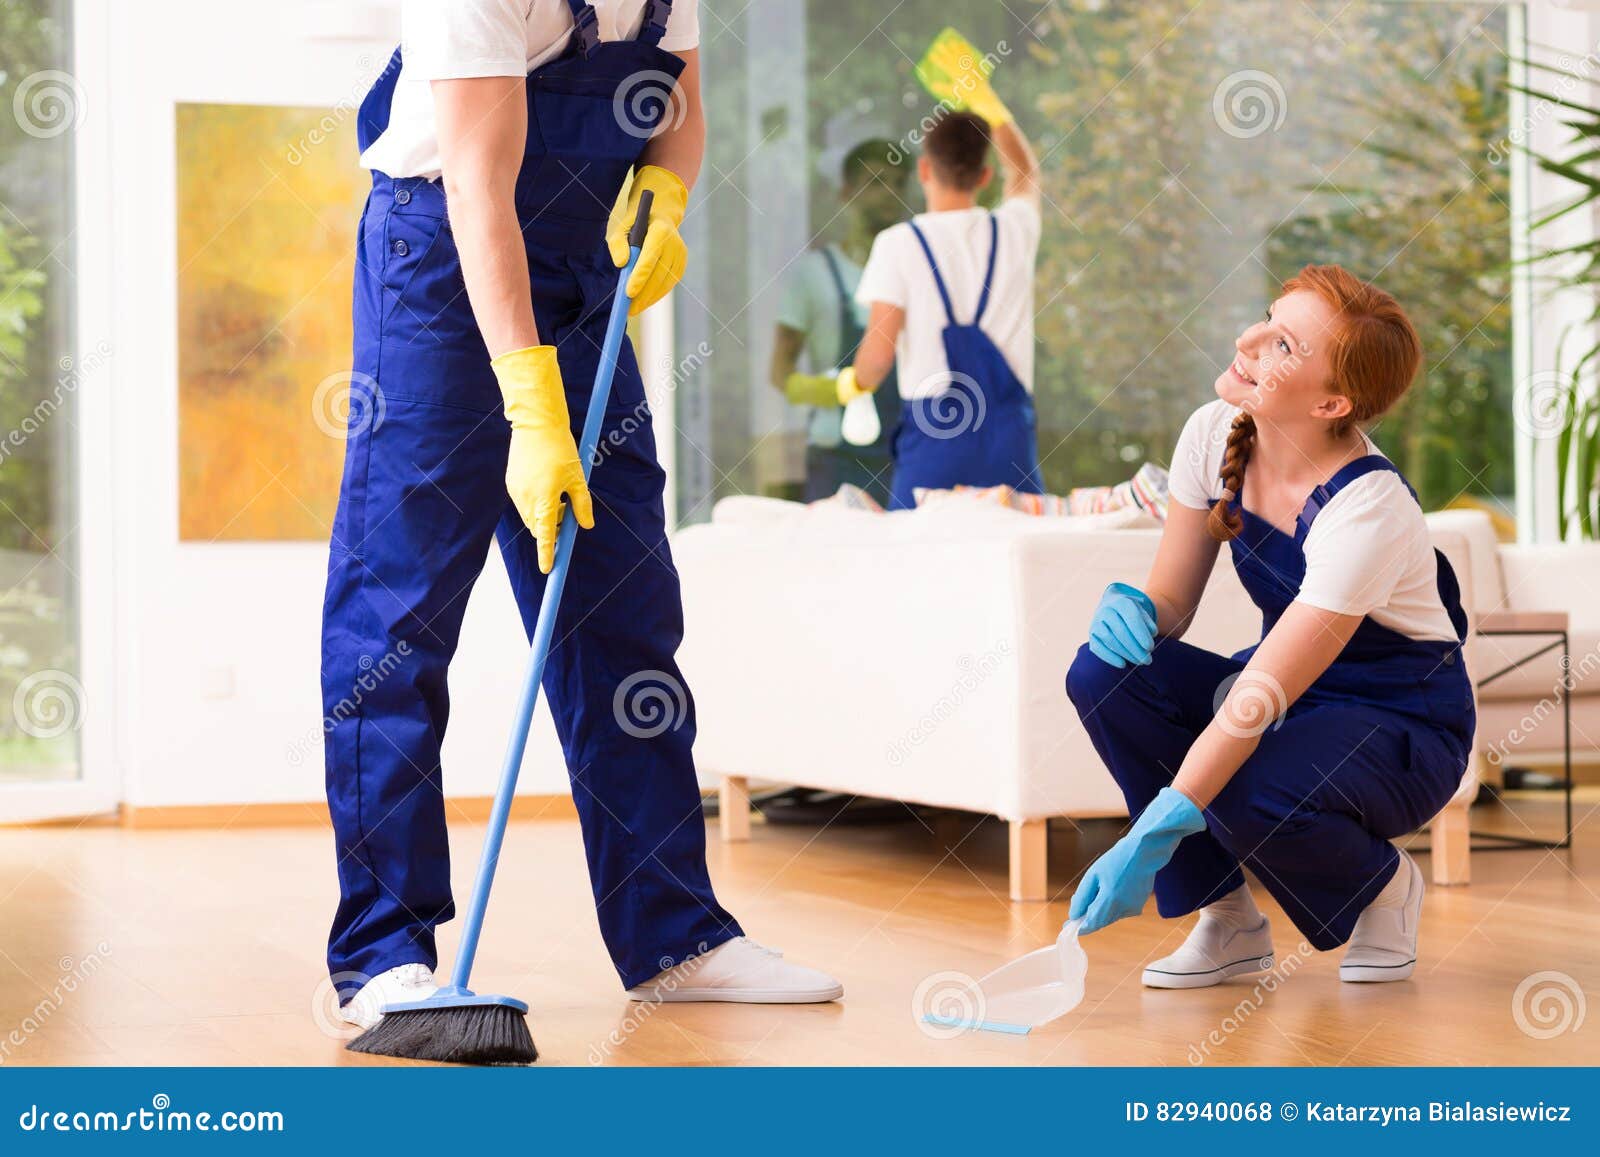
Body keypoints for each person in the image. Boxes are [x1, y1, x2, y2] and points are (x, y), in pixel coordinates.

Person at [323, 0, 842, 1029]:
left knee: (622, 608)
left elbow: (678, 108)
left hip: (580, 274)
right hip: (441, 260)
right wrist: (527, 397)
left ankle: (675, 934)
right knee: (399, 615)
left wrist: (666, 188)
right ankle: (380, 956)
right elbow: (476, 182)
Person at [1064, 265, 1473, 987]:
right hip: (1290, 691)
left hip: (1401, 723)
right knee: (1103, 675)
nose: (1247, 341)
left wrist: (1155, 830)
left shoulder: (1367, 508)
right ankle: (1227, 921)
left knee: (1244, 783)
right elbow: (1174, 600)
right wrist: (1138, 608)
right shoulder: (1214, 431)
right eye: (1265, 318)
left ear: (1333, 402)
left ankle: (1384, 885)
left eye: (1282, 344)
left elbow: (1254, 703)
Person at [844, 80, 1043, 509]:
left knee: (919, 561)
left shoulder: (898, 244)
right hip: (1009, 442)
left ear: (924, 169)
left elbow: (877, 360)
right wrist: (991, 104)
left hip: (935, 440)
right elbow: (1025, 172)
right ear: (984, 176)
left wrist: (850, 385)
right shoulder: (1013, 230)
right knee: (1015, 554)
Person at [771, 140, 911, 504]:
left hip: (905, 452)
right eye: (877, 181)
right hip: (836, 458)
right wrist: (837, 391)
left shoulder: (915, 270)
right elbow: (779, 373)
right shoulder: (813, 275)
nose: (890, 193)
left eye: (898, 182)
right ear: (846, 193)